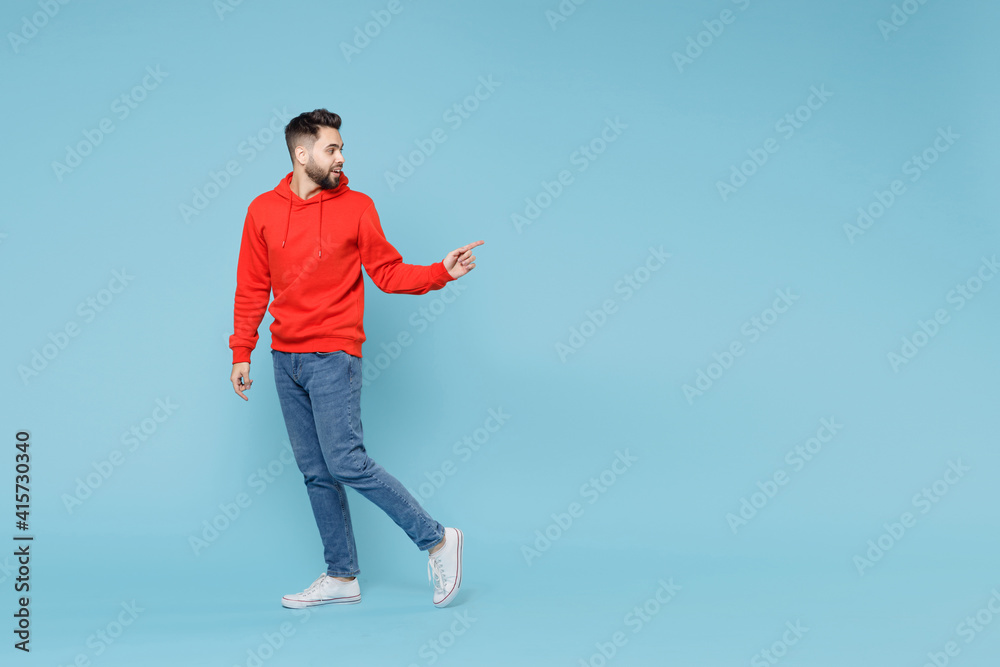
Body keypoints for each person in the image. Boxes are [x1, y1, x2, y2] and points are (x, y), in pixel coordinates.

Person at [227, 108, 482, 609]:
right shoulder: (261, 210)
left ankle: (436, 539)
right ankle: (342, 575)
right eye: (332, 149)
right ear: (302, 155)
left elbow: (387, 273)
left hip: (334, 356)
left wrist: (440, 272)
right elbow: (252, 286)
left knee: (345, 460)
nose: (342, 157)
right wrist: (242, 350)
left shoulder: (357, 207)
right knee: (316, 471)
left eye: (342, 148)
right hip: (285, 358)